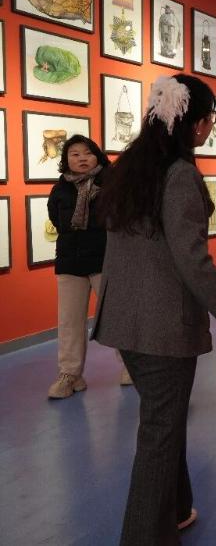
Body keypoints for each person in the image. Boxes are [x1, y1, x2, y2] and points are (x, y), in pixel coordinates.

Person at [93, 74, 216, 545]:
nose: (210, 127)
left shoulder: (130, 166)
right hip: (162, 327)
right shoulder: (180, 174)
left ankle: (179, 508)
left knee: (165, 421)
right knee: (160, 433)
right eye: (210, 119)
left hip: (125, 320)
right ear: (197, 123)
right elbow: (193, 260)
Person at [46, 135, 131, 398]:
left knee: (117, 316)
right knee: (69, 321)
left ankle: (132, 367)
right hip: (70, 261)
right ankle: (70, 375)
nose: (82, 158)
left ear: (97, 156)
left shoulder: (112, 183)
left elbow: (123, 217)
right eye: (74, 154)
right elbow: (56, 219)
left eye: (87, 153)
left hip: (105, 258)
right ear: (66, 160)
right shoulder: (60, 188)